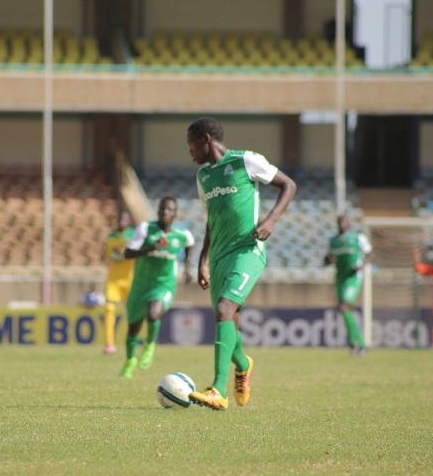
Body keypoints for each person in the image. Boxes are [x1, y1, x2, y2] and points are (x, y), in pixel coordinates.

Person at [185, 117, 296, 411]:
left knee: (224, 309)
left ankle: (216, 390)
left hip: (247, 250)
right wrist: (203, 260)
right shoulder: (203, 178)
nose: (190, 152)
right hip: (219, 257)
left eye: (192, 144)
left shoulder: (246, 160)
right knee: (227, 322)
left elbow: (289, 185)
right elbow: (212, 219)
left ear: (206, 139)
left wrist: (271, 220)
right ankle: (243, 365)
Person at [119, 196, 194, 378]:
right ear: (158, 211)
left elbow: (190, 244)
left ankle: (150, 345)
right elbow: (127, 254)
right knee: (133, 328)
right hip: (140, 285)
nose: (165, 212)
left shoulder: (182, 235)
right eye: (162, 209)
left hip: (164, 284)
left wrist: (188, 268)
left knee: (154, 314)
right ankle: (130, 361)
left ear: (175, 213)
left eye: (169, 209)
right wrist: (150, 248)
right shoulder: (146, 229)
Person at [324, 215, 373, 355]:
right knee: (344, 310)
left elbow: (370, 254)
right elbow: (326, 260)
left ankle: (360, 344)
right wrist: (329, 260)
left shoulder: (358, 238)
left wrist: (361, 266)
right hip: (339, 277)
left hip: (353, 277)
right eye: (340, 221)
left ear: (349, 223)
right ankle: (354, 342)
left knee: (344, 306)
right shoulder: (332, 241)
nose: (342, 224)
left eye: (344, 221)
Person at [102, 210, 135, 354]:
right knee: (109, 308)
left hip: (130, 279)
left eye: (125, 219)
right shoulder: (110, 237)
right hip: (113, 280)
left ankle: (134, 340)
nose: (122, 221)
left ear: (128, 221)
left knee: (134, 312)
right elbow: (105, 255)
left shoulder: (133, 236)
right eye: (120, 218)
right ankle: (109, 344)